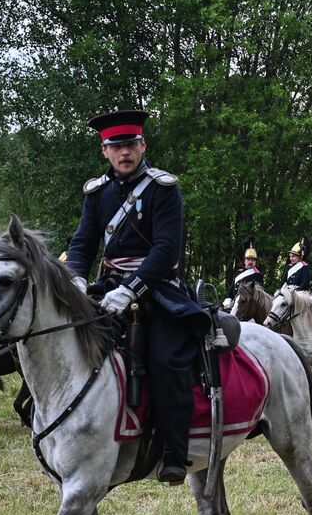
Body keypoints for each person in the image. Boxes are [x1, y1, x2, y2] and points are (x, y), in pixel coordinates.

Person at [65, 108, 209, 486]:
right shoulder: (98, 194)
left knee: (166, 358)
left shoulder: (163, 189)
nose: (124, 152)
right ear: (105, 151)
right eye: (116, 147)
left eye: (130, 144)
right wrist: (77, 279)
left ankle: (174, 452)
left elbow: (166, 250)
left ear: (143, 145)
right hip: (107, 285)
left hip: (156, 287)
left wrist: (131, 288)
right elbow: (82, 242)